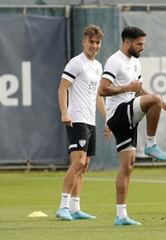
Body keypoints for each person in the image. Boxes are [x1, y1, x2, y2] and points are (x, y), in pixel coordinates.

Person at [98, 26, 166, 226]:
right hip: (118, 114)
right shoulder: (114, 61)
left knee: (127, 166)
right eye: (139, 44)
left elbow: (139, 90)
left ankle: (121, 215)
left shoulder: (136, 63)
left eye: (143, 43)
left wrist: (162, 103)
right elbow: (102, 90)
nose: (142, 47)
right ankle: (151, 143)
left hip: (128, 116)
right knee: (155, 98)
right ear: (127, 42)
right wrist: (129, 89)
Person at [56, 25, 108, 221]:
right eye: (91, 42)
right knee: (77, 162)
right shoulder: (75, 63)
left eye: (97, 42)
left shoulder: (98, 66)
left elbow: (97, 97)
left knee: (85, 165)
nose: (94, 46)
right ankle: (63, 207)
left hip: (90, 121)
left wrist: (107, 119)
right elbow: (62, 89)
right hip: (76, 119)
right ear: (83, 42)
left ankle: (76, 208)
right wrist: (64, 113)